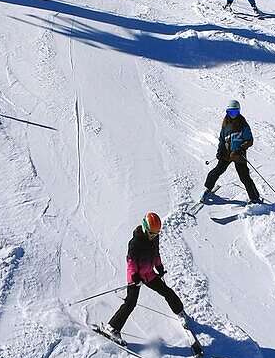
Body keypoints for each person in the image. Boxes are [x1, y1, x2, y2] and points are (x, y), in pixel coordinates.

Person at [102, 213, 188, 343]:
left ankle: (180, 311)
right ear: (144, 228)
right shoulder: (136, 242)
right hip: (136, 275)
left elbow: (156, 253)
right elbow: (130, 261)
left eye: (156, 233)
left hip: (149, 273)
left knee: (166, 291)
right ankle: (112, 328)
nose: (153, 236)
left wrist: (159, 266)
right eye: (151, 233)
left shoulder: (154, 238)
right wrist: (135, 276)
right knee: (130, 303)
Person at [203, 99, 261, 203]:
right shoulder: (225, 124)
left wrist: (242, 148)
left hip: (238, 155)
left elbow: (249, 140)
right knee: (216, 172)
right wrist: (220, 150)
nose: (232, 115)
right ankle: (208, 188)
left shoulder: (243, 124)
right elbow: (221, 139)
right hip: (226, 154)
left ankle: (255, 198)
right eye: (230, 112)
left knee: (244, 177)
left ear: (239, 111)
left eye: (235, 112)